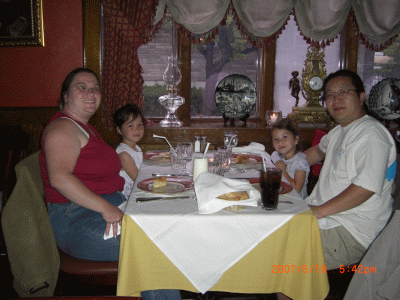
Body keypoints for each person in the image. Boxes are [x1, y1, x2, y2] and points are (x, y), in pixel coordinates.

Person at [40, 68, 182, 300]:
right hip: (77, 218)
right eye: (81, 87)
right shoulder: (62, 129)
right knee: (151, 249)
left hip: (103, 207)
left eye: (95, 88)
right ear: (65, 95)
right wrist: (106, 208)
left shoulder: (84, 128)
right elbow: (60, 178)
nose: (91, 93)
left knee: (167, 228)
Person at [304, 70, 396, 271]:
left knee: (280, 251)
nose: (335, 99)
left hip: (351, 231)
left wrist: (318, 211)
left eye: (343, 92)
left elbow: (365, 188)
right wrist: (282, 165)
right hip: (329, 219)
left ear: (361, 97)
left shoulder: (371, 135)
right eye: (329, 95)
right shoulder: (341, 130)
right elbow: (316, 152)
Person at [270, 119, 310, 199]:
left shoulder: (300, 162)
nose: (280, 142)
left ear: (296, 140)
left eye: (285, 137)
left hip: (297, 203)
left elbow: (296, 189)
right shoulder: (278, 157)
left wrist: (283, 171)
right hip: (283, 198)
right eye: (276, 139)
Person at [113, 104, 145, 199]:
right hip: (127, 198)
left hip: (137, 192)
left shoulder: (136, 148)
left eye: (140, 124)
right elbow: (139, 180)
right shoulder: (124, 154)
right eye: (130, 125)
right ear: (119, 130)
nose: (137, 129)